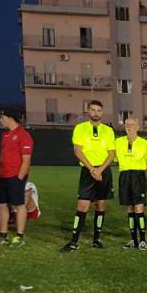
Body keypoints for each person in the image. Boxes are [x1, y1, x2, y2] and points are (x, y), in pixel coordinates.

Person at [62, 100, 115, 252]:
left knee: (100, 205)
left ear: (102, 112)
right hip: (88, 171)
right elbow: (78, 151)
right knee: (83, 205)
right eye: (93, 110)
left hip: (104, 171)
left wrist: (100, 170)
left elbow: (111, 154)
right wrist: (92, 169)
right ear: (88, 111)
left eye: (99, 110)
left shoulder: (108, 131)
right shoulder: (80, 128)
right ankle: (74, 241)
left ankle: (96, 239)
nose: (96, 113)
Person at [0, 109, 34, 247]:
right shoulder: (5, 135)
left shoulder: (24, 135)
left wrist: (19, 178)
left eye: (3, 117)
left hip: (15, 176)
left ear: (10, 118)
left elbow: (26, 160)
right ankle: (3, 235)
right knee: (1, 204)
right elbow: (2, 156)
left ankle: (20, 236)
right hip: (1, 177)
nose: (1, 120)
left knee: (19, 205)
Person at [116, 117, 147, 250]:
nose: (129, 127)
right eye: (127, 125)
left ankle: (143, 240)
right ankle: (133, 239)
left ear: (137, 127)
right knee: (130, 209)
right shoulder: (118, 142)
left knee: (139, 208)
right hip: (125, 175)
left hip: (139, 176)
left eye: (132, 125)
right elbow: (113, 158)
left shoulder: (144, 143)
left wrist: (144, 179)